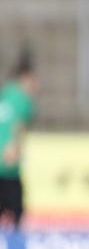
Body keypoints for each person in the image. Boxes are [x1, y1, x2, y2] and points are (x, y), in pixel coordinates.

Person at [0, 57, 36, 231]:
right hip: (9, 167)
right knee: (16, 214)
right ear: (25, 78)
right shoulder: (22, 99)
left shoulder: (5, 94)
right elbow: (19, 126)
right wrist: (14, 146)